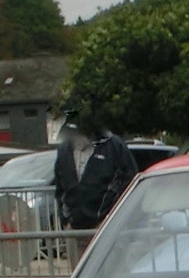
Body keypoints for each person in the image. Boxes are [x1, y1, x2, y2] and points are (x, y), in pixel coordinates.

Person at [53, 110, 138, 260]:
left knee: (107, 275)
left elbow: (129, 182)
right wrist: (65, 220)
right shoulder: (64, 150)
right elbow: (60, 188)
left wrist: (112, 217)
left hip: (106, 227)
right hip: (74, 230)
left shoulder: (114, 146)